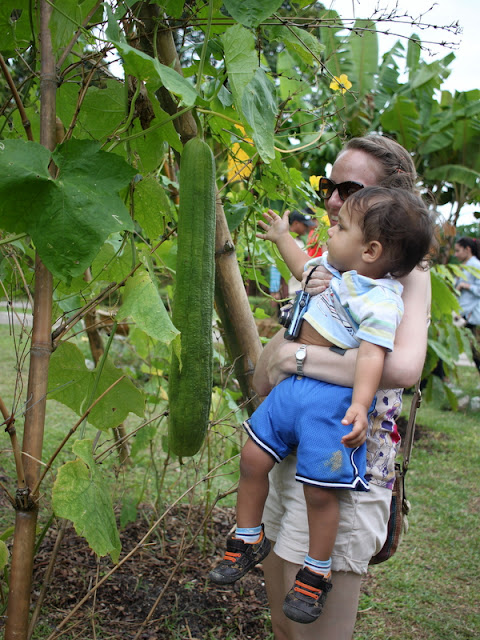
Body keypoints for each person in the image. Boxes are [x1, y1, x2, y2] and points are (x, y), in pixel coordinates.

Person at [208, 187, 434, 626]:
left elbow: (371, 357)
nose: (330, 227)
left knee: (320, 491)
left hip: (328, 403)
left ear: (371, 250)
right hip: (291, 391)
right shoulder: (334, 270)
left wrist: (361, 405)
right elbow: (302, 267)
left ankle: (316, 572)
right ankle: (247, 539)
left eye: (341, 226)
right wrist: (281, 237)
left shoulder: (381, 300)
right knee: (252, 457)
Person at [454, 237, 480, 373]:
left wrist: (466, 285)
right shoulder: (464, 266)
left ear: (467, 249)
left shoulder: (476, 265)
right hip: (463, 313)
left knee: (476, 352)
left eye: (458, 250)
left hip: (471, 315)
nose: (455, 254)